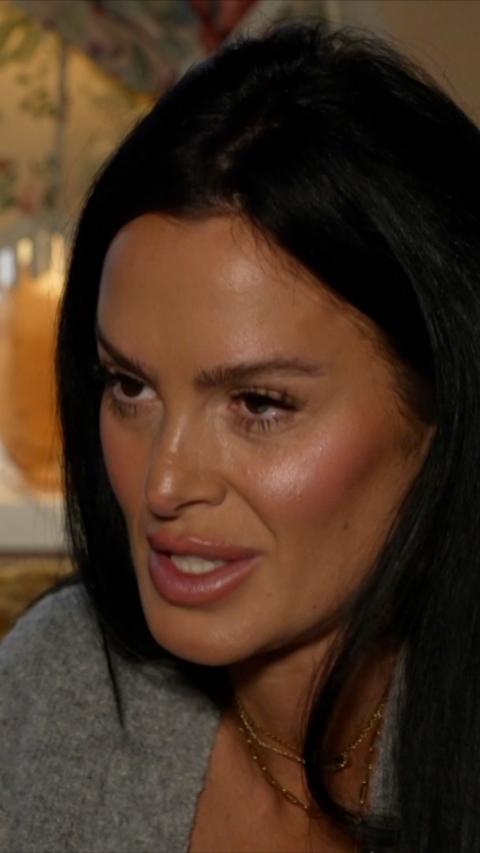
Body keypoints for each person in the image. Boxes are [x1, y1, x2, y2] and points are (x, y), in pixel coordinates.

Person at [2, 20, 480, 853]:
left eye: (258, 402)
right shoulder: (54, 686)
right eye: (129, 385)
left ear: (439, 407)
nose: (162, 482)